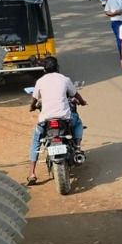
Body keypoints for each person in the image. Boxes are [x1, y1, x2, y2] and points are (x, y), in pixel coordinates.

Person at [26, 56, 86, 185]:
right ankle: (78, 148)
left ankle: (31, 173)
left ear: (44, 69)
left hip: (45, 120)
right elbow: (75, 95)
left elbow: (34, 100)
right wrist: (82, 102)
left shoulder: (40, 81)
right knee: (78, 122)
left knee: (36, 139)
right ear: (57, 67)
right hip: (65, 118)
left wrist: (31, 107)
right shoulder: (65, 79)